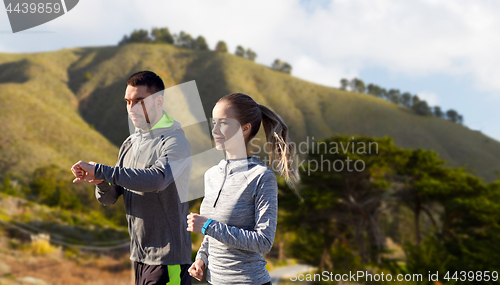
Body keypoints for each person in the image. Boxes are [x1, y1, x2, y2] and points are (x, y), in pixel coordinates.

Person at [71, 71, 193, 285]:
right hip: (139, 257)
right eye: (128, 102)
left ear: (158, 101)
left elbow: (157, 180)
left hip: (169, 259)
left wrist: (101, 170)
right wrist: (100, 182)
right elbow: (109, 198)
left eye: (139, 101)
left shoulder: (175, 142)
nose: (131, 108)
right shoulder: (130, 144)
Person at [186, 93, 300, 285]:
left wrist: (207, 226)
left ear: (245, 128)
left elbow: (263, 241)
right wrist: (201, 259)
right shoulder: (211, 175)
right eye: (213, 122)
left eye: (222, 123)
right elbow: (213, 232)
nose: (214, 129)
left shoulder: (261, 177)